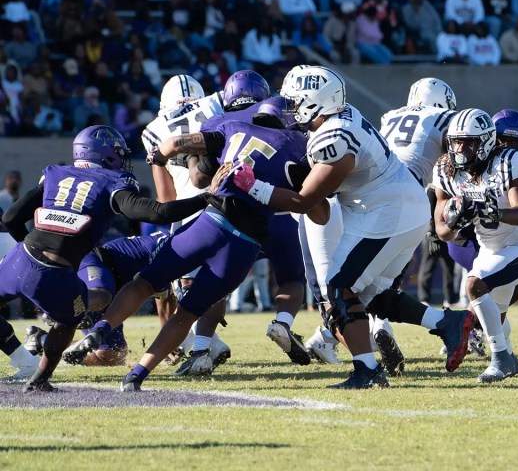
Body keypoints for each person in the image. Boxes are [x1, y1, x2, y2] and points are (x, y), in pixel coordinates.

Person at [232, 65, 475, 388]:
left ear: (314, 102)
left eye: (294, 102)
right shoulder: (340, 118)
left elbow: (305, 202)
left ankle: (367, 371)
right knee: (371, 295)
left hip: (387, 211)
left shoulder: (334, 138)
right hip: (394, 207)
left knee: (338, 289)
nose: (289, 109)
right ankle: (448, 322)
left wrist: (253, 186)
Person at [64, 101, 311, 391]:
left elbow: (178, 147)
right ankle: (137, 375)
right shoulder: (301, 147)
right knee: (186, 314)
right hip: (244, 245)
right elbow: (312, 207)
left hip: (209, 223)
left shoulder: (233, 126)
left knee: (145, 283)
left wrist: (160, 156)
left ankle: (101, 329)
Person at [0, 126, 211, 392]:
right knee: (67, 323)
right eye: (118, 153)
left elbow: (10, 218)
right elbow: (158, 213)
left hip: (19, 257)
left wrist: (28, 249)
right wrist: (206, 197)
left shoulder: (54, 173)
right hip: (56, 272)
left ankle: (26, 358)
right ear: (105, 154)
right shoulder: (113, 181)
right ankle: (38, 379)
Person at [200, 83, 314, 367]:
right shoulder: (287, 124)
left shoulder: (217, 123)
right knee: (291, 279)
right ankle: (283, 322)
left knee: (215, 282)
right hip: (279, 214)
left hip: (233, 214)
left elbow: (199, 178)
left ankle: (201, 347)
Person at [433, 109, 518, 382]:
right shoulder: (446, 170)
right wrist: (456, 220)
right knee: (497, 319)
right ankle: (507, 357)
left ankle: (502, 359)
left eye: (469, 142)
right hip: (489, 252)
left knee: (474, 285)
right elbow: (442, 232)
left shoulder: (507, 161)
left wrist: (493, 212)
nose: (461, 149)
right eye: (457, 141)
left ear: (487, 142)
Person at [141, 74, 233, 377]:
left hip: (187, 210)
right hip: (229, 198)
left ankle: (203, 347)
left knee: (187, 285)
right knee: (217, 279)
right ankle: (206, 344)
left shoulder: (153, 131)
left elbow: (166, 197)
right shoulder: (215, 105)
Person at [381, 78, 458, 367]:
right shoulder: (441, 116)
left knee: (367, 273)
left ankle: (335, 335)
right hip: (406, 193)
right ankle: (442, 323)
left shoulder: (390, 116)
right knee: (376, 276)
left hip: (367, 190)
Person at [26, 230, 172, 367]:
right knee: (102, 296)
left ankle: (41, 340)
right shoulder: (175, 249)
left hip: (113, 283)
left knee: (112, 355)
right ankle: (62, 309)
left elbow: (164, 296)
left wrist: (170, 343)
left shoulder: (179, 246)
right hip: (97, 264)